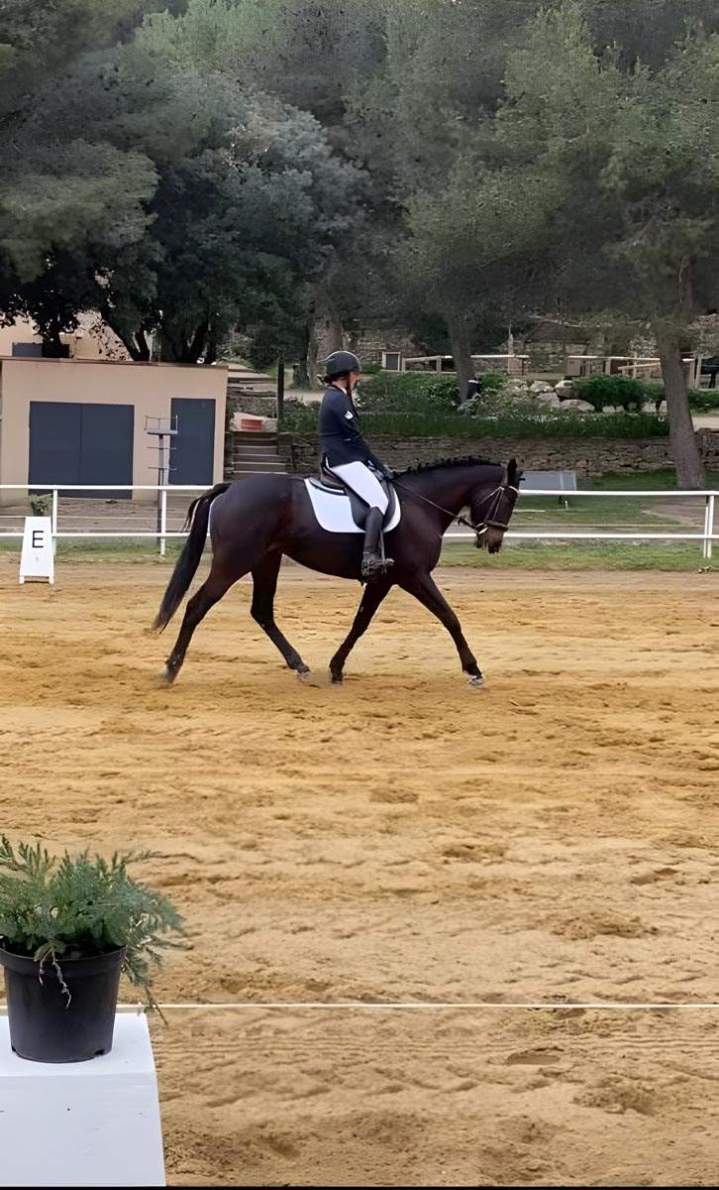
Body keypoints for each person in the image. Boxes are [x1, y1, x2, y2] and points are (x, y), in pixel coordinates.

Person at [318, 350, 394, 580]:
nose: (358, 379)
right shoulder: (337, 399)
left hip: (344, 457)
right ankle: (369, 557)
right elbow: (355, 440)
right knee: (379, 500)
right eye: (356, 375)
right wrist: (380, 466)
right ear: (345, 376)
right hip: (343, 460)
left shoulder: (337, 396)